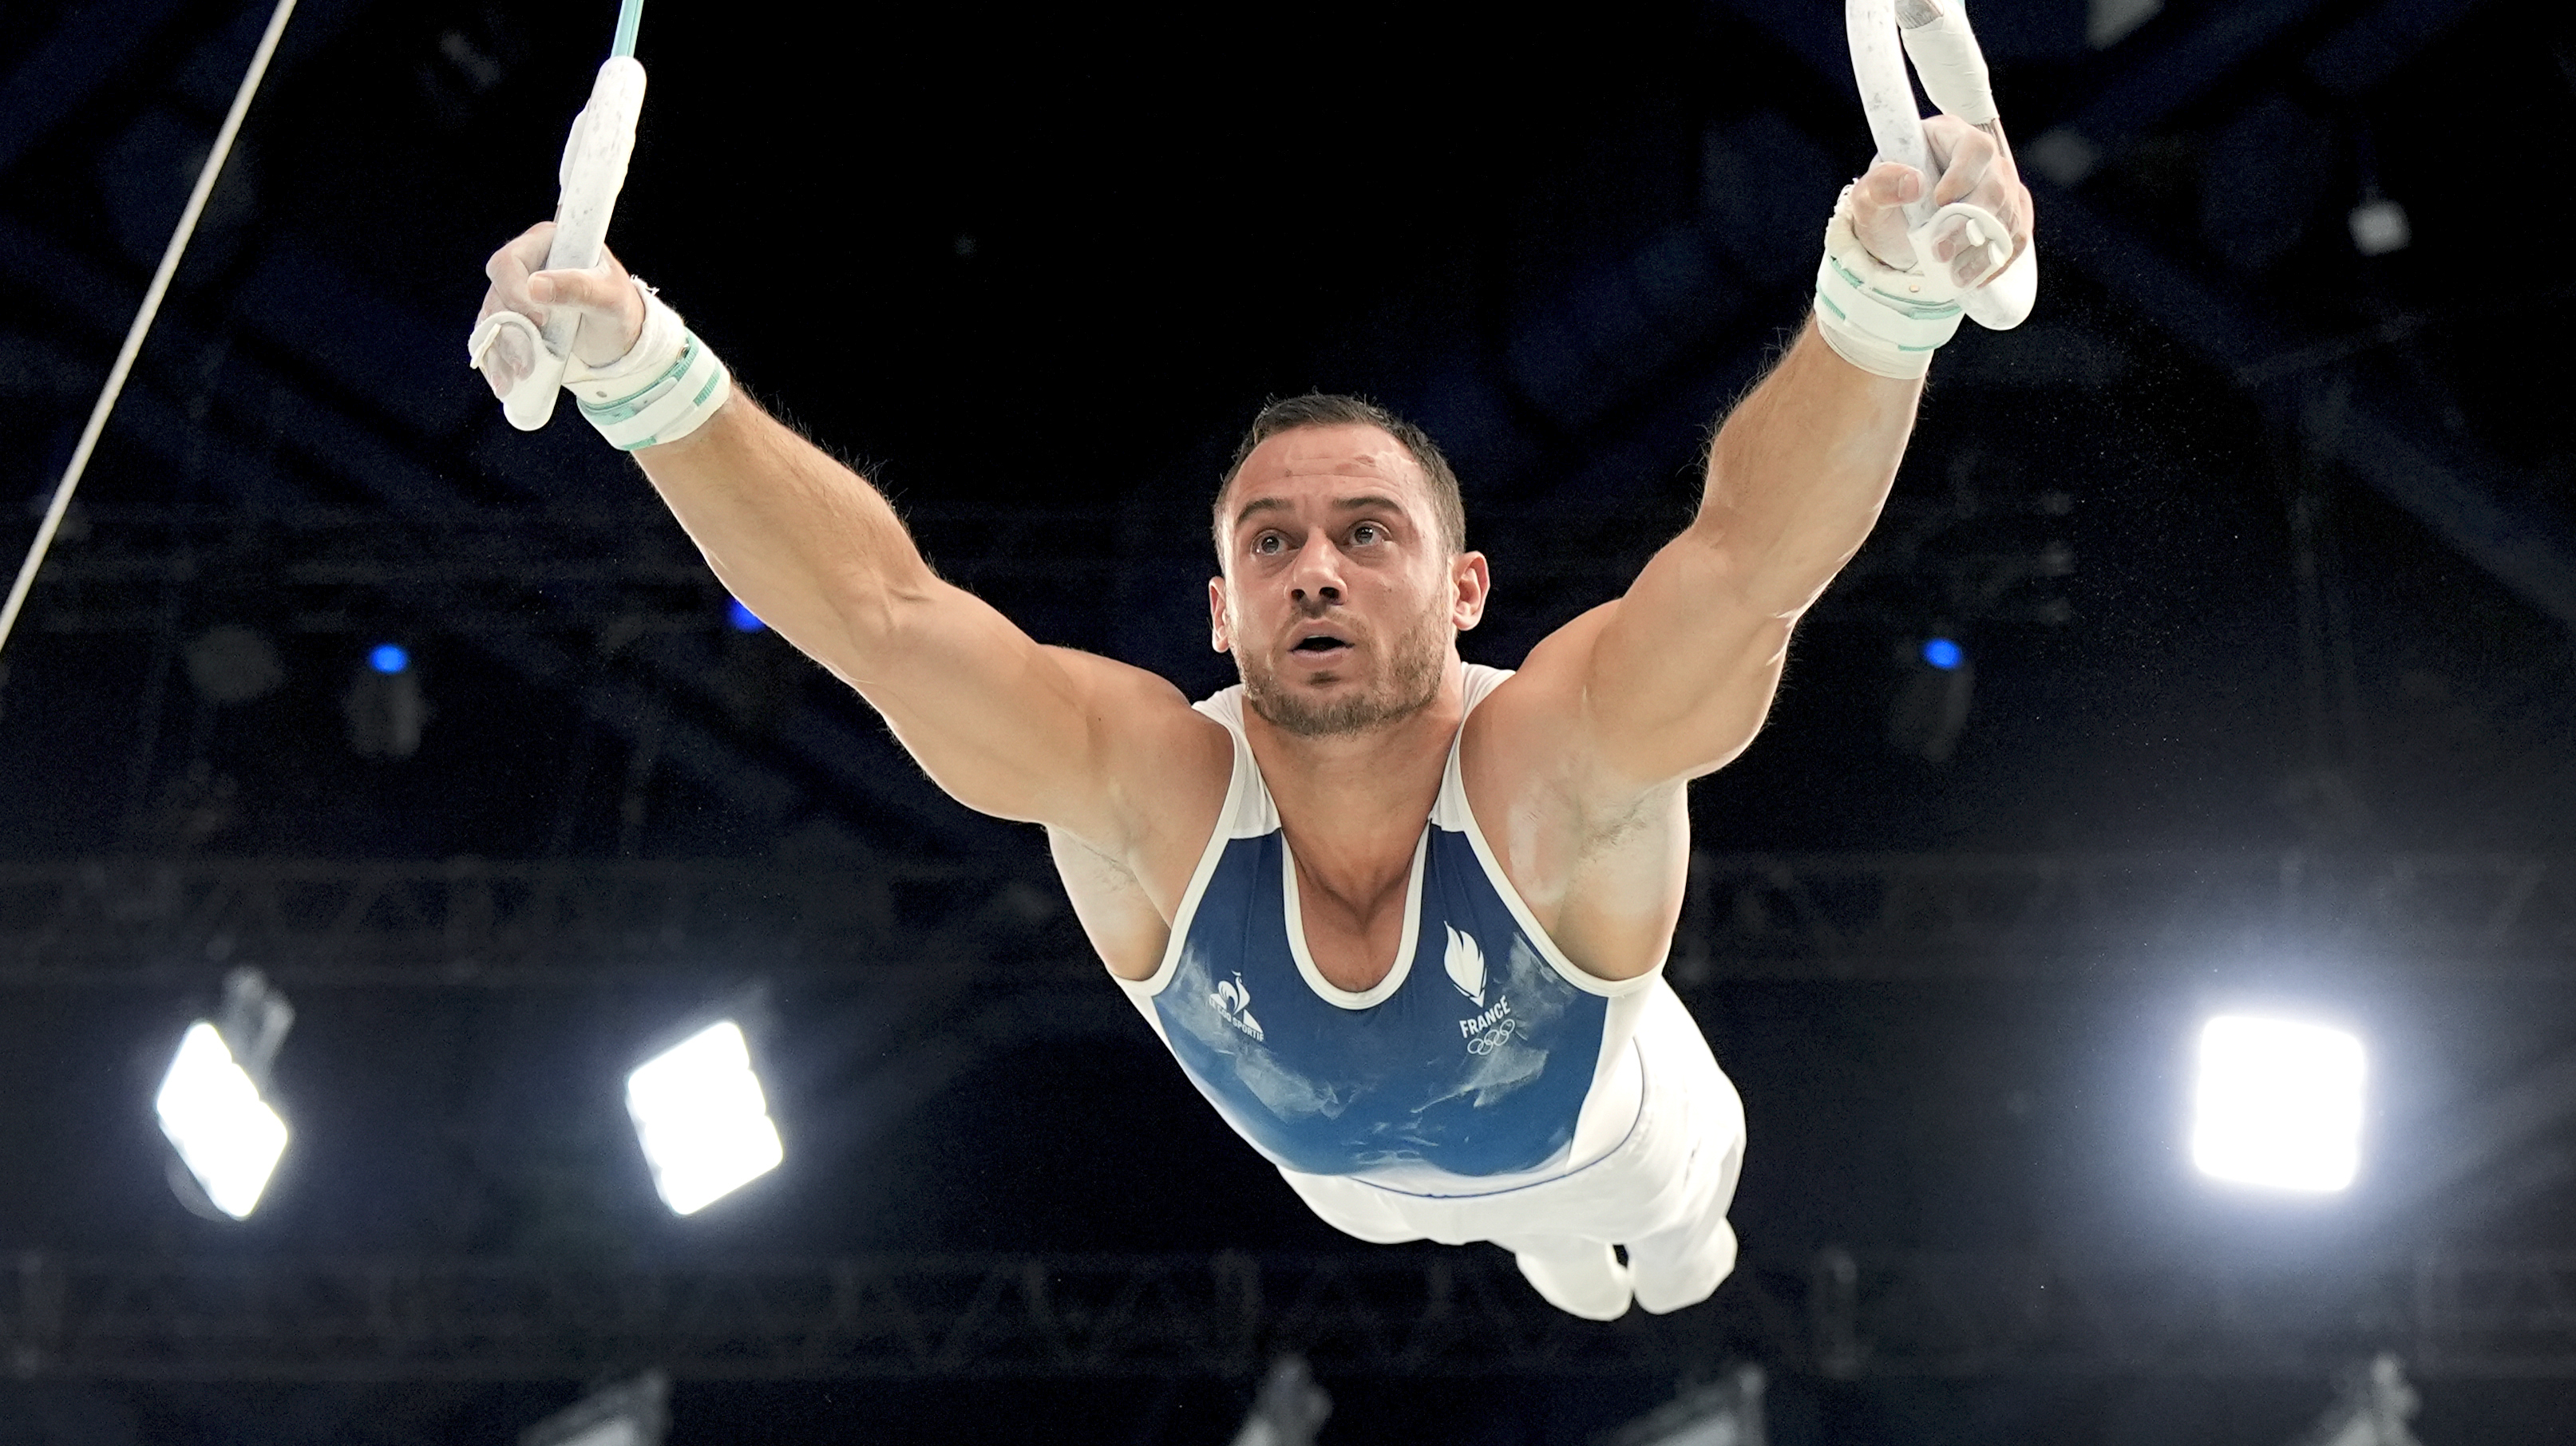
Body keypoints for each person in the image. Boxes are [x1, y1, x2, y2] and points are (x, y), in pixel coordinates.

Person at [470, 118, 2032, 1318]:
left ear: (1466, 587)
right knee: (1433, 1215)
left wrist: (1880, 299)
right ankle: (1556, 1244)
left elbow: (1746, 565)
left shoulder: (1558, 762)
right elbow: (879, 617)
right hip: (1337, 1182)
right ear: (1220, 613)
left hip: (1615, 1139)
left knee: (1669, 1249)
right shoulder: (1143, 784)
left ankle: (1645, 1236)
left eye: (1370, 531)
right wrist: (638, 368)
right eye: (1269, 544)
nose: (1316, 571)